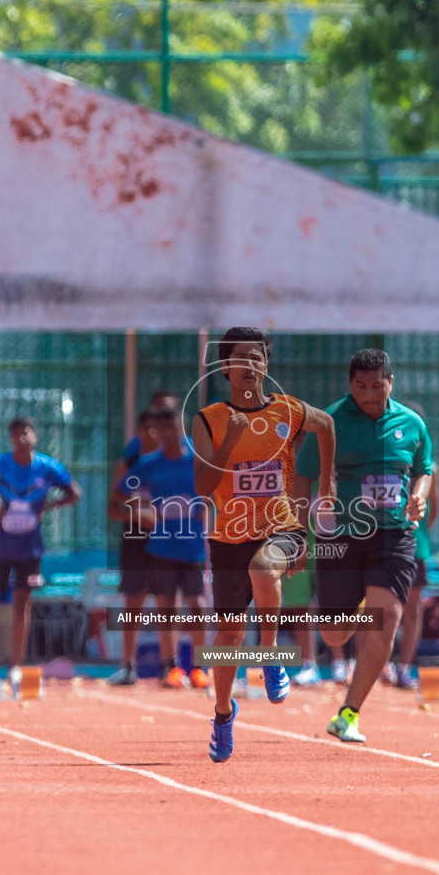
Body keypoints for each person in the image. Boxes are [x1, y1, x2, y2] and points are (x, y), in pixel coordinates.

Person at [193, 326, 334, 761]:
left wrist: (325, 487)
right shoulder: (208, 420)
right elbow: (202, 486)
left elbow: (326, 424)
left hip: (282, 528)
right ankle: (222, 714)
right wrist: (231, 441)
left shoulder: (288, 412)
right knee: (230, 635)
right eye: (241, 357)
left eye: (257, 357)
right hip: (228, 537)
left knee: (263, 569)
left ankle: (270, 654)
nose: (250, 365)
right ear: (225, 366)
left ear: (266, 364)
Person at [296, 348, 427, 745]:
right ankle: (352, 606)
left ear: (392, 382)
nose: (369, 394)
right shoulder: (329, 422)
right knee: (334, 635)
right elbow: (301, 478)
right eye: (361, 386)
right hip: (343, 535)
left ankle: (348, 714)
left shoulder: (412, 424)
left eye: (377, 386)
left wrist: (419, 496)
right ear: (349, 385)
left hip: (394, 534)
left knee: (386, 616)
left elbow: (424, 470)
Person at [110, 405, 209, 689]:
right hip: (161, 547)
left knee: (198, 605)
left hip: (193, 547)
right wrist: (141, 509)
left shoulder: (197, 460)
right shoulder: (147, 464)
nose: (168, 433)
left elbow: (214, 492)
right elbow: (118, 495)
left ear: (182, 426)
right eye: (162, 428)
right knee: (166, 606)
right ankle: (171, 667)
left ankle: (200, 668)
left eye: (172, 426)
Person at [0, 416, 80, 672]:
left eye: (26, 433)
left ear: (35, 436)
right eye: (16, 434)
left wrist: (47, 506)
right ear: (10, 438)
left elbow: (74, 493)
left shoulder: (47, 467)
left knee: (23, 604)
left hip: (29, 549)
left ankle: (15, 665)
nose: (22, 438)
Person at [110, 407, 159, 685]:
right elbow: (113, 506)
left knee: (168, 600)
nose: (153, 434)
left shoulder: (173, 463)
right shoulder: (129, 465)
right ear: (139, 433)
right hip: (135, 537)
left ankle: (171, 665)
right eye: (147, 428)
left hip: (168, 538)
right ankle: (127, 664)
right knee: (134, 599)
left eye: (159, 428)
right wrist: (138, 511)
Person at [394, 452, 439, 686]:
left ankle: (404, 667)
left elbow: (433, 510)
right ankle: (379, 665)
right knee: (383, 607)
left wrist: (418, 532)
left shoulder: (431, 469)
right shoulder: (387, 461)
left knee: (412, 609)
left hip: (416, 547)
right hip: (387, 545)